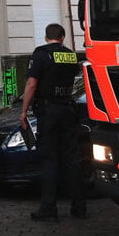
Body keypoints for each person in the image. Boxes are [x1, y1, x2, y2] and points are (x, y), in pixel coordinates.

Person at [20, 23, 86, 221]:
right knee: (72, 159)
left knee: (49, 159)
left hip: (49, 111)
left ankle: (49, 208)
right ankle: (79, 207)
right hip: (67, 109)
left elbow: (32, 84)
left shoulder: (41, 54)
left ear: (46, 36)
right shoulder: (70, 55)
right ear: (63, 36)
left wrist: (23, 111)